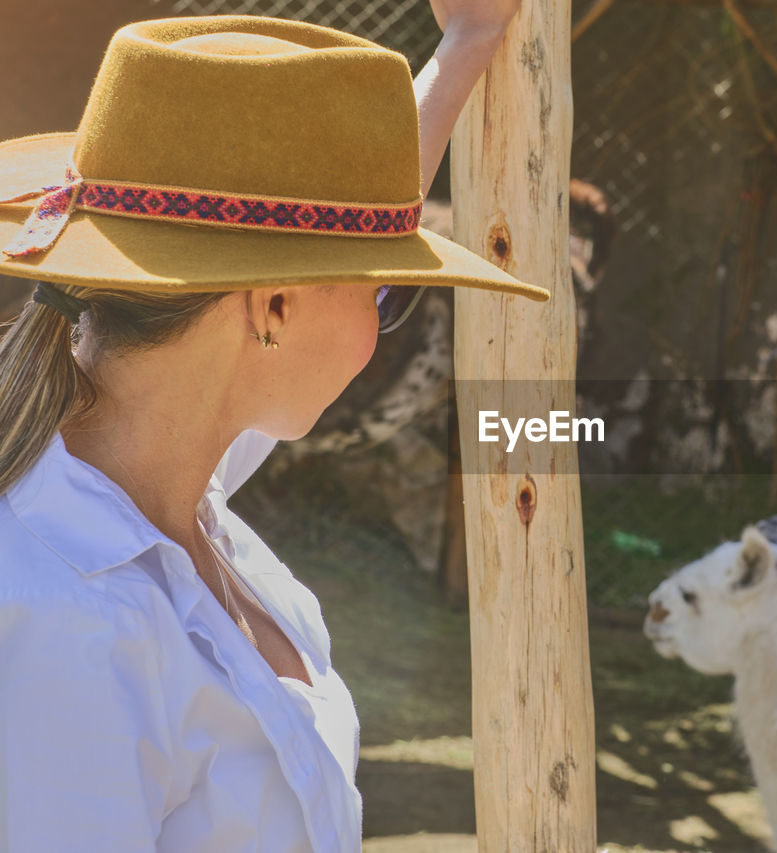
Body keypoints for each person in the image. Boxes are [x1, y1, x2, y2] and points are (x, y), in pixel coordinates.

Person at [0, 7, 538, 852]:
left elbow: (337, 241)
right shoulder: (68, 624)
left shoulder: (164, 474)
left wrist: (466, 47)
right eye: (380, 294)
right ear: (274, 307)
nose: (382, 314)